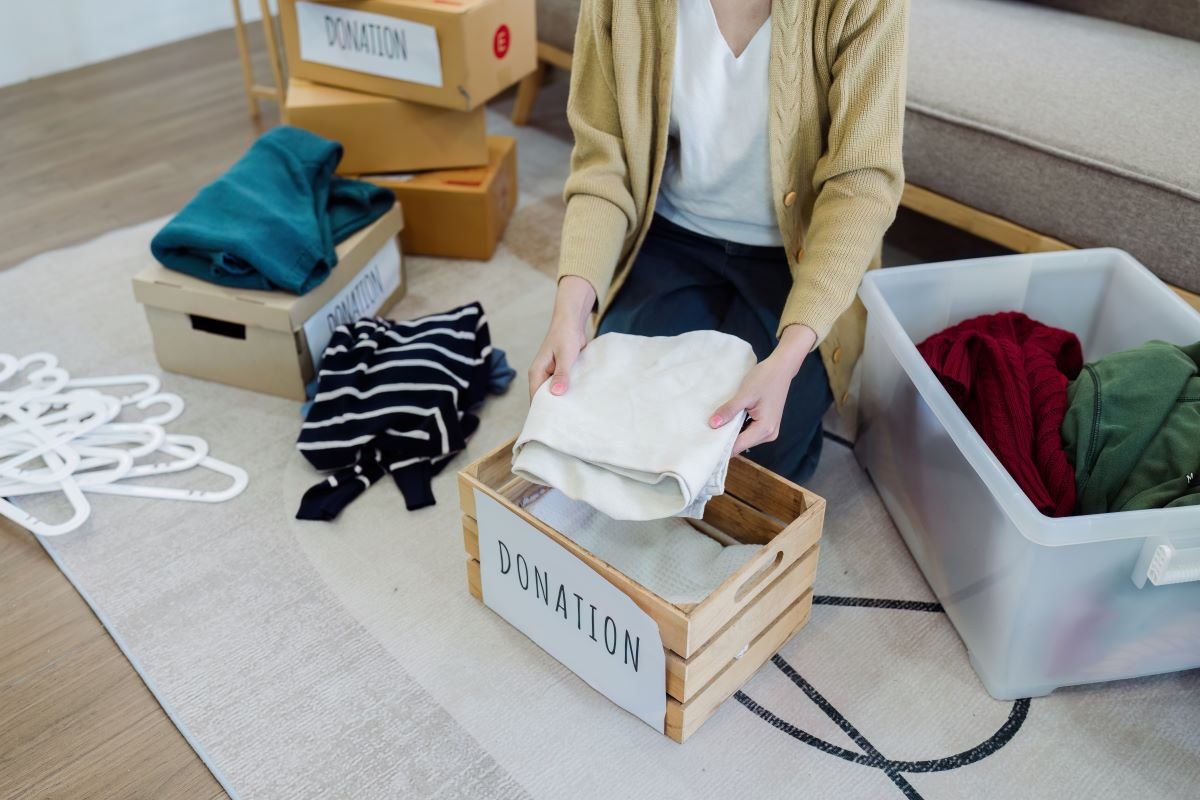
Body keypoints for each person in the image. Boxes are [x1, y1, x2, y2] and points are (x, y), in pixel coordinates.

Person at [529, 0, 908, 482]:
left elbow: (860, 184)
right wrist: (570, 310)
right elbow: (605, 160)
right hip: (672, 235)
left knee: (752, 457)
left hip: (798, 256)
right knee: (629, 428)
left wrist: (791, 353)